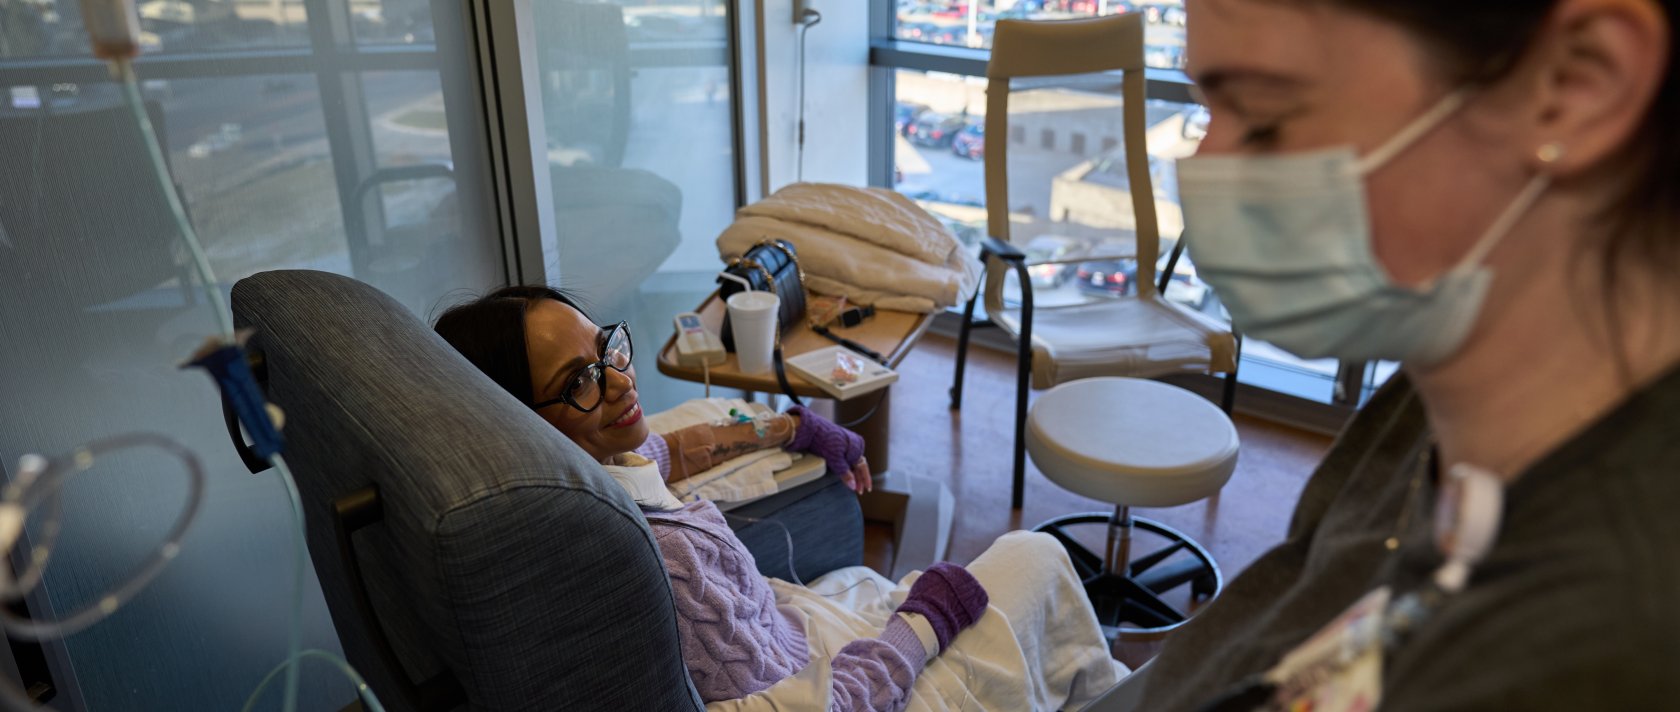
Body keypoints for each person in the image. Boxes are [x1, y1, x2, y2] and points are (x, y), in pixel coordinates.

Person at [1135, 0, 1680, 710]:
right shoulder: (1445, 383)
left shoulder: (1597, 649)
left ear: (1577, 85)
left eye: (1265, 115)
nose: (1206, 171)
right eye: (1206, 109)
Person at [435, 286, 1122, 711]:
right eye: (581, 379)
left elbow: (673, 448)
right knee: (1036, 554)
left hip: (801, 637)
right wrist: (923, 625)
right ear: (513, 418)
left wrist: (791, 427)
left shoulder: (592, 471)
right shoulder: (656, 559)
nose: (620, 382)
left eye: (609, 348)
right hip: (856, 689)